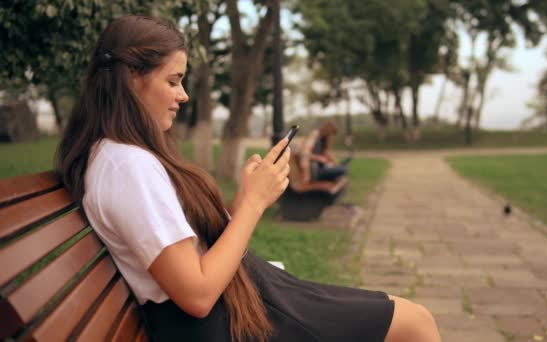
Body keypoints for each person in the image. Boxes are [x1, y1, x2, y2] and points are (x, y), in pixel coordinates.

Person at [55, 15, 441, 342]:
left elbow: (191, 255)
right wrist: (254, 204)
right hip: (223, 322)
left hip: (239, 300)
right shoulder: (127, 167)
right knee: (416, 324)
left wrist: (241, 201)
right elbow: (198, 294)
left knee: (407, 316)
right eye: (173, 81)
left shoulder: (121, 157)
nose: (183, 95)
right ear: (133, 79)